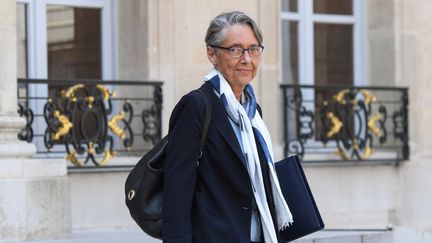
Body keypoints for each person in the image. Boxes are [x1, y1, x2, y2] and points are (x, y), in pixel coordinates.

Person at [163, 11, 293, 243]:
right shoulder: (196, 105)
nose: (247, 59)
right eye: (235, 49)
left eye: (253, 49)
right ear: (212, 53)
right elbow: (177, 186)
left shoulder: (253, 113)